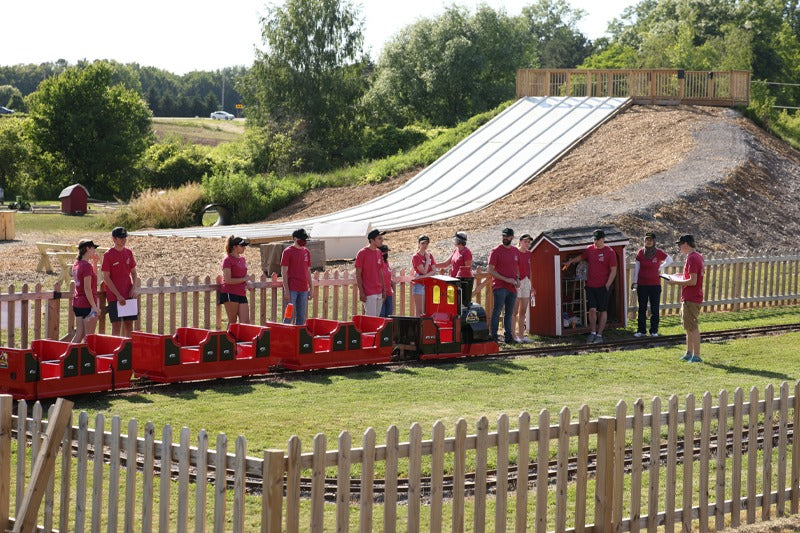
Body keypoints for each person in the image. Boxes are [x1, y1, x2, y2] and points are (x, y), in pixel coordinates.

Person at [562, 229, 618, 343]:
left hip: (603, 287)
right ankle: (592, 332)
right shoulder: (590, 249)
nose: (595, 242)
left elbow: (613, 271)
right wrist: (570, 262)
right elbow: (581, 257)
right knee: (592, 310)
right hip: (591, 286)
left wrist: (607, 285)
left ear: (603, 239)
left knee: (602, 310)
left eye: (597, 239)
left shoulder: (610, 252)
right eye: (594, 239)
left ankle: (599, 335)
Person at [668, 234, 704, 363]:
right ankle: (689, 352)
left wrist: (675, 282)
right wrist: (680, 276)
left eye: (680, 244)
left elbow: (693, 281)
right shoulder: (696, 256)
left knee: (692, 327)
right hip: (690, 296)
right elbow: (691, 276)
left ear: (686, 244)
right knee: (687, 326)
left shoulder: (692, 258)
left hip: (691, 296)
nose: (679, 247)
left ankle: (697, 355)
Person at [632, 231, 673, 337]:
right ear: (644, 241)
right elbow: (637, 268)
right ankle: (641, 331)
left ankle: (654, 331)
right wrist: (635, 282)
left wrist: (660, 267)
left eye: (650, 240)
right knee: (642, 308)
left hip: (655, 285)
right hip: (642, 285)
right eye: (646, 240)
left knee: (655, 308)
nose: (648, 242)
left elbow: (669, 260)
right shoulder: (640, 253)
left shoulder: (658, 252)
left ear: (654, 241)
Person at [102, 227, 139, 337]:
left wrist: (133, 287)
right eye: (120, 238)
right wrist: (118, 295)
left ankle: (127, 350)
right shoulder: (108, 255)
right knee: (116, 326)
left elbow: (134, 273)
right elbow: (106, 277)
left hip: (128, 294)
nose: (123, 240)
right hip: (114, 296)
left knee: (129, 325)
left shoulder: (128, 252)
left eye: (125, 237)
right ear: (114, 239)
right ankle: (116, 351)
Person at [487, 228, 520, 344]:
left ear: (512, 237)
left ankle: (508, 338)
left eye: (507, 236)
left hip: (512, 287)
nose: (505, 238)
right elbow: (490, 270)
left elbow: (516, 267)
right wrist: (506, 279)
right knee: (497, 312)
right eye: (503, 236)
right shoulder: (496, 251)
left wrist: (517, 278)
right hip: (500, 286)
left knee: (509, 313)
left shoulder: (515, 251)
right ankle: (494, 337)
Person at [281, 229, 313, 325]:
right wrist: (286, 290)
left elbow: (308, 271)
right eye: (302, 239)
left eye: (305, 239)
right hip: (292, 289)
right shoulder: (287, 252)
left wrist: (311, 288)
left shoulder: (306, 252)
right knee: (288, 315)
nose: (304, 241)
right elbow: (283, 271)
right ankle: (285, 334)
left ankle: (297, 337)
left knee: (301, 316)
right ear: (294, 239)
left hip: (303, 289)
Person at [72, 239, 101, 343]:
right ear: (88, 248)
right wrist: (94, 307)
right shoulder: (86, 266)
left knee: (79, 334)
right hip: (87, 304)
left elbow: (93, 279)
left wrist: (95, 262)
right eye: (93, 248)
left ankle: (68, 356)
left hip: (77, 303)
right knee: (89, 337)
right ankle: (87, 358)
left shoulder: (76, 264)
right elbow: (87, 288)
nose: (94, 251)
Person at [435, 231, 473, 307]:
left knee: (459, 304)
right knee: (451, 303)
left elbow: (467, 269)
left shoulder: (466, 252)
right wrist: (433, 265)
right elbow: (446, 264)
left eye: (455, 239)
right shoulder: (455, 251)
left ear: (459, 241)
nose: (454, 241)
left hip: (461, 283)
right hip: (453, 281)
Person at [220, 235, 251, 324]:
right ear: (235, 247)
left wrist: (247, 282)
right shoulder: (227, 260)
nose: (244, 248)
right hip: (230, 292)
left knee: (245, 322)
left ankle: (241, 338)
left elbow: (244, 275)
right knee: (232, 321)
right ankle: (227, 338)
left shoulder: (242, 259)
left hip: (241, 292)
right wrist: (244, 279)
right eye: (242, 246)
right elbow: (228, 280)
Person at [355, 229, 386, 316]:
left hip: (379, 291)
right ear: (372, 240)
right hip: (368, 292)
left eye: (381, 238)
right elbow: (358, 274)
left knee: (377, 320)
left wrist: (384, 289)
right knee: (371, 319)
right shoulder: (362, 253)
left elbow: (380, 272)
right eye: (379, 238)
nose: (382, 240)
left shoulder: (379, 252)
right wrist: (361, 291)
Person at [512, 233, 535, 343]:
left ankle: (521, 335)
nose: (527, 244)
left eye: (528, 242)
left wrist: (532, 286)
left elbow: (530, 270)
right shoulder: (515, 251)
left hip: (526, 281)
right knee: (514, 311)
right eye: (525, 241)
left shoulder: (529, 253)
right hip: (517, 281)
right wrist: (516, 279)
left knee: (523, 310)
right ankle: (513, 335)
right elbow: (514, 267)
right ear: (520, 241)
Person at [411, 235, 436, 316]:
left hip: (427, 285)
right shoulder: (416, 257)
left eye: (426, 243)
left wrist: (422, 277)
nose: (425, 246)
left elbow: (434, 270)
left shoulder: (429, 255)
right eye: (423, 243)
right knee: (420, 311)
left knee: (427, 310)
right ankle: (417, 328)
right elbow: (424, 271)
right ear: (418, 244)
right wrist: (428, 260)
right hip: (419, 286)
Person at [378, 244, 395, 318]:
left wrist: (392, 283)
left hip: (388, 293)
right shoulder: (377, 263)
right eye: (384, 252)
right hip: (381, 292)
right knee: (381, 314)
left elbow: (387, 276)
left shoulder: (386, 262)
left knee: (389, 315)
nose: (386, 254)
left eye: (386, 252)